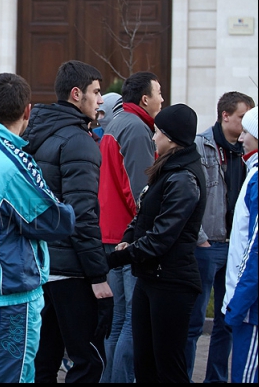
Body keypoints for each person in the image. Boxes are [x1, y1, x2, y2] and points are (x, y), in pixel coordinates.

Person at [0, 73, 76, 382]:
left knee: (3, 371)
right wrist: (71, 207)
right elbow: (54, 220)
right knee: (7, 375)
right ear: (28, 111)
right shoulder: (10, 162)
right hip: (10, 290)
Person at [22, 60, 113, 383]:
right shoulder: (77, 141)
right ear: (77, 94)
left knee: (43, 361)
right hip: (70, 269)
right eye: (97, 92)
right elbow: (82, 215)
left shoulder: (37, 132)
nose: (101, 99)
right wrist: (97, 274)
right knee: (88, 361)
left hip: (42, 264)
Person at [108, 103, 208, 383]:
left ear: (172, 137)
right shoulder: (167, 169)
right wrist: (128, 238)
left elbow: (162, 236)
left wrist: (118, 258)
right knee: (145, 363)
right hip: (150, 278)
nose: (153, 138)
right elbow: (143, 215)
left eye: (157, 133)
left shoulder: (184, 178)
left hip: (172, 283)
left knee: (168, 366)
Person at [98, 72, 164, 383]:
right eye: (159, 93)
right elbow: (139, 191)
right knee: (131, 323)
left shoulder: (117, 123)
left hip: (111, 233)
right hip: (127, 238)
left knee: (120, 320)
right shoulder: (137, 129)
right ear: (145, 98)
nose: (163, 99)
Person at [186, 91, 256, 382]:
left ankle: (215, 378)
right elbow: (192, 193)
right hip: (208, 244)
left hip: (235, 247)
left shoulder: (248, 154)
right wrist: (200, 236)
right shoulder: (201, 146)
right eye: (242, 117)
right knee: (194, 322)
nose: (244, 128)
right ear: (225, 116)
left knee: (227, 323)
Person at [222, 106, 258, 384]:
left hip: (252, 308)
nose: (241, 137)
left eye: (247, 131)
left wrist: (240, 302)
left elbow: (255, 249)